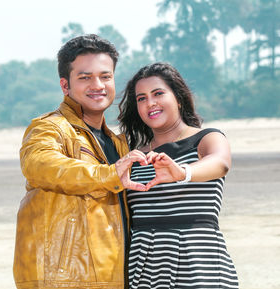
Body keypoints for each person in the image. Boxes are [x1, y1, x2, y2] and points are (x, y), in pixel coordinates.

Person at [13, 34, 148, 289]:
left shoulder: (117, 142)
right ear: (65, 86)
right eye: (85, 77)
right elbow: (39, 164)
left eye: (105, 76)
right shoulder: (49, 127)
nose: (98, 85)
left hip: (113, 279)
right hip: (64, 279)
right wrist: (107, 174)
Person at [118, 62, 239, 288]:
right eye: (141, 98)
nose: (150, 102)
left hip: (199, 263)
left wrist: (182, 172)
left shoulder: (206, 138)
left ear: (179, 98)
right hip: (145, 267)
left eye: (158, 93)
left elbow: (220, 163)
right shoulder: (133, 156)